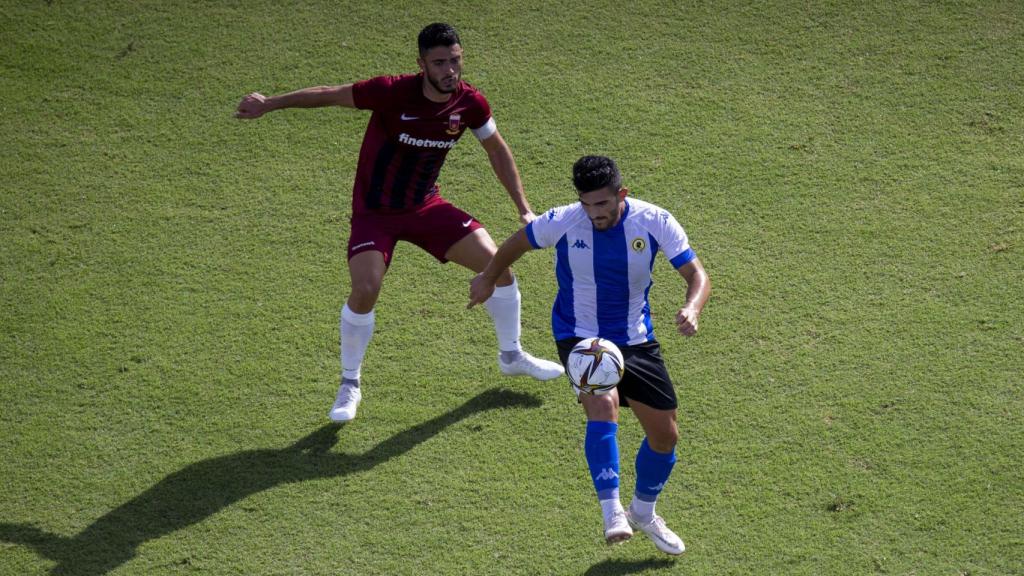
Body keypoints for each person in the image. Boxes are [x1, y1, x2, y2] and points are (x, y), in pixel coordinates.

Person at [236, 23, 563, 422]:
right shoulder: (391, 92)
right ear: (422, 64)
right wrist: (269, 103)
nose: (450, 70)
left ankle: (511, 355)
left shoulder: (470, 104)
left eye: (455, 60)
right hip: (375, 214)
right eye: (440, 62)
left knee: (498, 266)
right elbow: (328, 96)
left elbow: (496, 149)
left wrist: (522, 207)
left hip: (426, 207)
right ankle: (349, 383)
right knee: (366, 288)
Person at [469, 155, 711, 555]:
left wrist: (693, 308)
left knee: (665, 436)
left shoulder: (654, 221)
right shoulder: (564, 220)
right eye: (587, 204)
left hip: (635, 338)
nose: (594, 213)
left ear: (622, 194)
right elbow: (514, 244)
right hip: (579, 336)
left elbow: (697, 275)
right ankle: (612, 508)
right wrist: (488, 277)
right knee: (603, 403)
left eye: (602, 204)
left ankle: (643, 512)